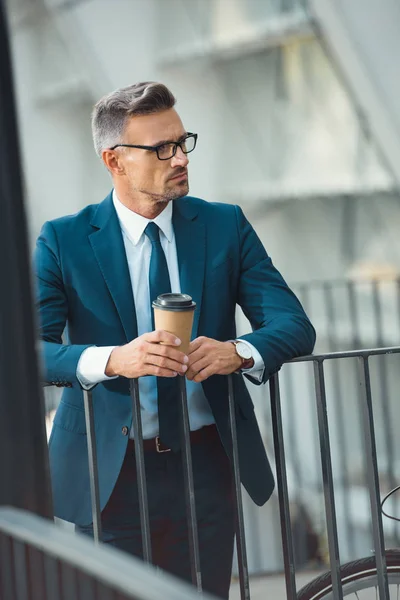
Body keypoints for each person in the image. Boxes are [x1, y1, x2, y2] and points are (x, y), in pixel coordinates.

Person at [35, 81, 316, 599]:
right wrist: (114, 360)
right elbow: (31, 351)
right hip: (109, 474)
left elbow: (293, 324)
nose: (179, 157)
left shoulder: (224, 225)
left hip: (206, 465)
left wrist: (238, 352)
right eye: (161, 148)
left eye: (182, 141)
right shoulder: (63, 240)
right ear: (114, 161)